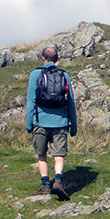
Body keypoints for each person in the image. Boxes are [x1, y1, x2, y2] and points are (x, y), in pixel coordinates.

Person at [25, 46, 77, 200]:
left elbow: (30, 101)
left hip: (40, 122)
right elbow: (71, 102)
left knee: (42, 155)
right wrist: (73, 126)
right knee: (59, 155)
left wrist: (29, 124)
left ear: (43, 58)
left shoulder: (36, 74)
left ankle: (46, 185)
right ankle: (59, 181)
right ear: (57, 59)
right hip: (60, 122)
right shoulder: (64, 75)